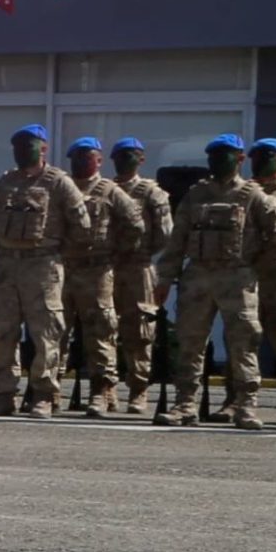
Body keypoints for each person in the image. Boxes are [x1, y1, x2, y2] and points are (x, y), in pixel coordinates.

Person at [154, 135, 276, 430]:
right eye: (213, 155)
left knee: (243, 343)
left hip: (237, 277)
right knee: (190, 342)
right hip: (198, 276)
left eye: (224, 154)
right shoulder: (196, 194)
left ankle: (245, 406)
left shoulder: (253, 195)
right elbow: (177, 240)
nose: (216, 160)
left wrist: (254, 259)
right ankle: (185, 405)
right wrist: (165, 277)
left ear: (240, 159)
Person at [0, 124, 89, 418]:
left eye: (26, 146)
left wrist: (57, 254)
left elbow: (82, 226)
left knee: (45, 333)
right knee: (3, 332)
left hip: (42, 265)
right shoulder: (4, 183)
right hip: (5, 265)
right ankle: (4, 394)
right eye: (16, 147)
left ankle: (43, 394)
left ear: (43, 149)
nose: (20, 152)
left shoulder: (58, 183)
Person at [59, 136, 146, 419]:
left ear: (98, 160)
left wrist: (116, 252)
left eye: (87, 156)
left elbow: (135, 222)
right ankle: (51, 391)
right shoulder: (62, 187)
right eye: (76, 157)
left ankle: (100, 391)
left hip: (97, 271)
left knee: (100, 333)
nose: (81, 162)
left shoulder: (109, 190)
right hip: (63, 269)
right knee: (56, 331)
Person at [108, 138, 173, 415]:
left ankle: (138, 391)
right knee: (103, 329)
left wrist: (141, 251)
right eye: (121, 155)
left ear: (141, 159)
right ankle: (106, 390)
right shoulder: (104, 190)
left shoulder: (150, 192)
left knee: (140, 332)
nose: (126, 160)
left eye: (132, 155)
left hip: (138, 267)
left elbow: (164, 234)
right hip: (105, 267)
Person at [249, 139, 276, 426]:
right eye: (255, 157)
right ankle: (237, 400)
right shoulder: (244, 193)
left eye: (266, 156)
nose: (260, 162)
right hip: (246, 276)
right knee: (242, 341)